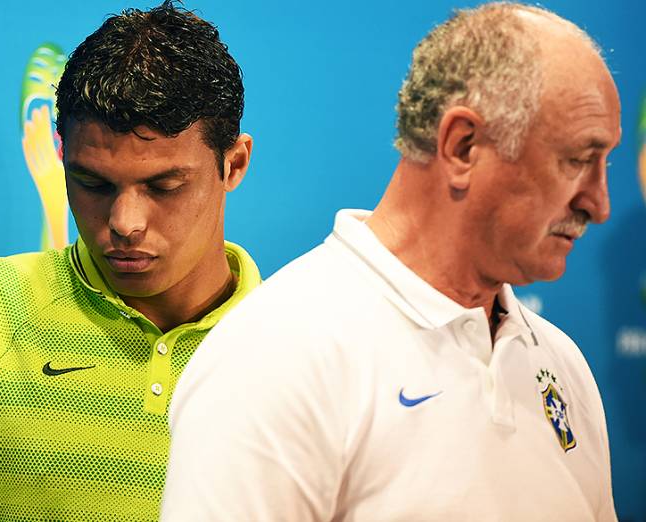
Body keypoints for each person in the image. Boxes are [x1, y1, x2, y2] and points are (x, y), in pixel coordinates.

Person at [161, 3, 620, 520]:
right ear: (463, 146)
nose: (598, 203)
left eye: (605, 163)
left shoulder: (563, 363)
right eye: (578, 161)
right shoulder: (272, 355)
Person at [0, 2, 258, 520]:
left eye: (163, 185)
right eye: (92, 183)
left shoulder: (301, 347)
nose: (125, 221)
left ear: (234, 163)